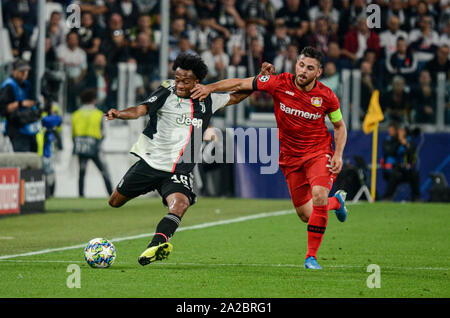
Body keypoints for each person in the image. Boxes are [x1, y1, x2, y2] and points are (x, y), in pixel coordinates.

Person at [105, 53, 274, 266]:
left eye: (185, 81)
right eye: (177, 79)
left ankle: (155, 245)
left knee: (180, 205)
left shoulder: (207, 99)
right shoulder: (166, 91)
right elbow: (141, 109)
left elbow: (236, 95)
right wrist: (119, 114)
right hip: (150, 163)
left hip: (179, 170)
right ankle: (150, 192)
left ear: (197, 82)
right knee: (114, 202)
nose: (180, 84)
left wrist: (260, 80)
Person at [191, 47, 349, 270]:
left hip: (318, 153)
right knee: (306, 214)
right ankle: (337, 202)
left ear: (319, 72)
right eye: (301, 65)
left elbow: (339, 126)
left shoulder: (327, 96)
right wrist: (210, 88)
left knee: (319, 193)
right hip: (290, 158)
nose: (303, 71)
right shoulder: (278, 83)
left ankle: (311, 257)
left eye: (310, 68)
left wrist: (339, 153)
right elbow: (240, 84)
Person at [72, 88, 113, 198]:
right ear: (93, 100)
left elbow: (73, 133)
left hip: (81, 145)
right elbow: (103, 132)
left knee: (82, 172)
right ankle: (112, 194)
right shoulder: (99, 114)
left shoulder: (75, 114)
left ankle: (81, 195)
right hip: (95, 146)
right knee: (104, 171)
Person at [0, 59, 40, 152]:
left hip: (29, 129)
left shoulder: (28, 85)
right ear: (14, 71)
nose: (24, 74)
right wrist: (21, 103)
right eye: (21, 71)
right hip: (16, 130)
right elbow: (3, 109)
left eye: (26, 71)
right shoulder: (8, 86)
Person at [381, 122, 420, 201]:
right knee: (394, 175)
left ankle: (416, 197)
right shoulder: (388, 140)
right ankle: (387, 197)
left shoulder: (408, 140)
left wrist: (406, 144)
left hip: (405, 168)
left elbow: (412, 153)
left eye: (392, 130)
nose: (390, 132)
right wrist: (399, 141)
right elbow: (390, 152)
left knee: (414, 174)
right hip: (393, 168)